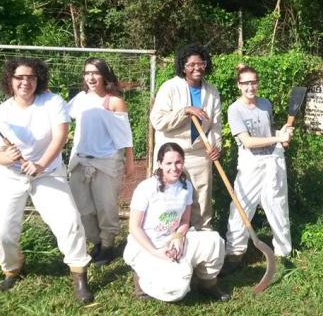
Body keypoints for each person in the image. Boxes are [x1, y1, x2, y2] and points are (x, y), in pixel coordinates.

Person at [0, 57, 93, 303]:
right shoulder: (0, 113)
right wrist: (6, 156)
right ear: (10, 81)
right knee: (0, 232)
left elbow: (60, 136)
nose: (25, 82)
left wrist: (40, 164)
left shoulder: (52, 102)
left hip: (47, 172)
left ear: (38, 79)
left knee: (69, 222)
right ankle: (13, 268)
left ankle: (79, 274)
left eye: (30, 77)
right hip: (6, 175)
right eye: (19, 77)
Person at [123, 142, 229, 302]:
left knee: (214, 241)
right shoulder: (146, 188)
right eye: (169, 163)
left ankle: (208, 283)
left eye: (178, 162)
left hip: (172, 242)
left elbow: (185, 221)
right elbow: (134, 227)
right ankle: (142, 280)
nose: (175, 167)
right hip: (147, 245)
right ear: (159, 164)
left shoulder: (186, 186)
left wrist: (178, 238)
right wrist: (155, 251)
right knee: (177, 291)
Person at [221, 64, 294, 273]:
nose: (250, 87)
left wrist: (282, 136)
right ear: (238, 85)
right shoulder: (235, 110)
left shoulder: (265, 104)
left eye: (253, 82)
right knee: (241, 206)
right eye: (245, 83)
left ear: (257, 83)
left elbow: (268, 132)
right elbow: (248, 141)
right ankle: (234, 253)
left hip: (273, 159)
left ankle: (283, 251)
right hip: (250, 163)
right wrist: (277, 138)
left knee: (278, 204)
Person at [67, 57, 135, 266]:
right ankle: (95, 242)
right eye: (87, 73)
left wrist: (130, 162)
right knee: (83, 208)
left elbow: (125, 136)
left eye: (95, 72)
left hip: (106, 163)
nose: (91, 77)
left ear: (104, 75)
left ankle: (107, 246)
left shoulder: (114, 101)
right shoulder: (79, 99)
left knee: (106, 208)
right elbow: (60, 118)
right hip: (80, 161)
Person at [149, 44, 221, 230]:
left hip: (199, 153)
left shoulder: (212, 92)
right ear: (183, 67)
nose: (197, 68)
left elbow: (215, 124)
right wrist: (185, 111)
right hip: (172, 154)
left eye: (201, 63)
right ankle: (167, 235)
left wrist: (215, 146)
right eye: (191, 65)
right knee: (169, 196)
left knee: (201, 199)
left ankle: (202, 235)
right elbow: (158, 121)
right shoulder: (169, 88)